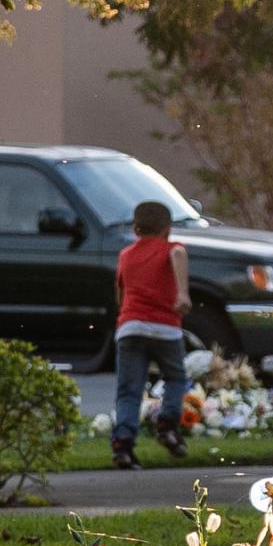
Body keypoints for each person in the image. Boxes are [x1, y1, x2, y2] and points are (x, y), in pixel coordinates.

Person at [110, 200, 191, 470]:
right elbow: (177, 254)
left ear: (135, 229)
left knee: (129, 389)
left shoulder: (125, 255)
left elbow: (120, 296)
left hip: (130, 326)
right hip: (165, 327)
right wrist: (182, 293)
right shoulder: (173, 249)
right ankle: (167, 425)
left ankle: (123, 444)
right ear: (167, 229)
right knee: (175, 377)